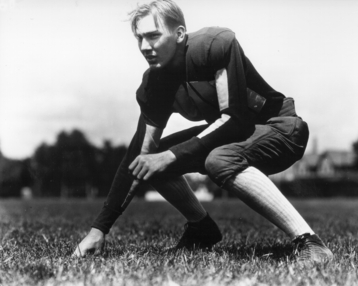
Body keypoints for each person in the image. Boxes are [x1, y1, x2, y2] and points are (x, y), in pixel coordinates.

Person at [73, 0, 333, 263]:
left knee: (215, 159)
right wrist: (99, 229)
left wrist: (171, 156)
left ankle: (310, 243)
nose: (144, 47)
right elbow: (138, 157)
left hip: (282, 128)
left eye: (153, 36)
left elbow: (235, 120)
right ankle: (202, 230)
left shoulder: (214, 45)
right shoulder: (155, 83)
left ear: (179, 34)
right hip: (234, 138)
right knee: (152, 160)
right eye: (139, 38)